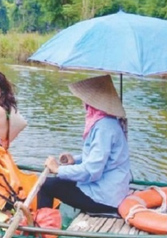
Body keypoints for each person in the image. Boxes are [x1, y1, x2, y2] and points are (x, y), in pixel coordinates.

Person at [37, 74, 131, 214]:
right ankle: (50, 221)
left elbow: (92, 171)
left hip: (104, 198)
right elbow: (100, 156)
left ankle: (42, 231)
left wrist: (58, 169)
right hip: (110, 190)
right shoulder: (108, 122)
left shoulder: (104, 127)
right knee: (57, 182)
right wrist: (75, 159)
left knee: (46, 185)